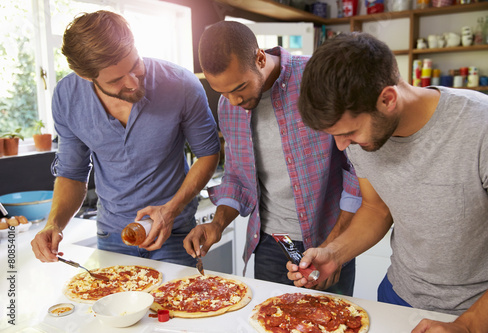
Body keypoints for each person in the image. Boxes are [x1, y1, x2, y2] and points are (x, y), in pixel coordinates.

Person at [287, 32, 488, 332]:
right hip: (396, 296)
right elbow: (376, 209)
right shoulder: (362, 140)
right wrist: (333, 255)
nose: (341, 146)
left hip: (482, 312)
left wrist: (468, 326)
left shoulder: (487, 128)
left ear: (387, 99)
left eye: (348, 132)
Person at [183, 21, 361, 295]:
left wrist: (334, 246)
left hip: (330, 238)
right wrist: (216, 224)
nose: (233, 101)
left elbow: (358, 173)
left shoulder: (319, 79)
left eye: (239, 87)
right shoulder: (229, 107)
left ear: (260, 58)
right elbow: (237, 176)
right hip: (269, 243)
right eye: (223, 92)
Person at [31, 10, 220, 267]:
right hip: (112, 237)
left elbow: (208, 153)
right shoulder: (67, 97)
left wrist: (171, 209)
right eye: (117, 79)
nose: (132, 82)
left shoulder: (181, 84)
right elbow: (72, 174)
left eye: (135, 66)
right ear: (87, 77)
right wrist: (54, 225)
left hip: (174, 234)